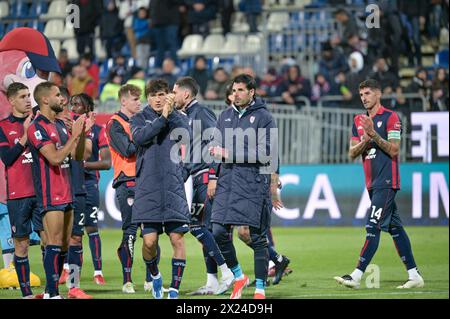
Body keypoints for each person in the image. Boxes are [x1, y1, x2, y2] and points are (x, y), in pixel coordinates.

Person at [334, 79, 424, 289]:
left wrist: (374, 134)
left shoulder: (391, 117)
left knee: (372, 226)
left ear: (378, 94)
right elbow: (351, 153)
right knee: (395, 228)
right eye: (361, 94)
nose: (364, 98)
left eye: (367, 93)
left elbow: (394, 150)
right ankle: (414, 275)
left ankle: (356, 276)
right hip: (371, 183)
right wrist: (365, 139)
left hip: (386, 181)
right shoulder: (358, 120)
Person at [209, 74, 278, 299]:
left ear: (251, 92)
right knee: (218, 231)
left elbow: (265, 153)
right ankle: (239, 277)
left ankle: (260, 288)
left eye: (241, 90)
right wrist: (213, 171)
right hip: (227, 182)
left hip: (252, 183)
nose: (236, 94)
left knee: (257, 237)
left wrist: (229, 153)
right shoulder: (225, 116)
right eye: (234, 90)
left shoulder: (264, 117)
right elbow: (215, 145)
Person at [172, 77, 234, 296]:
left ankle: (229, 274)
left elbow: (216, 143)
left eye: (174, 92)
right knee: (203, 229)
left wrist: (212, 175)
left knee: (198, 227)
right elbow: (191, 155)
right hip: (197, 177)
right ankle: (213, 282)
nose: (172, 96)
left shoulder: (202, 113)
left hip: (206, 178)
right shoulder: (186, 117)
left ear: (186, 95)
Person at [130, 79, 191, 299]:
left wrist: (171, 113)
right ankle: (155, 275)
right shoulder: (138, 118)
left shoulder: (178, 118)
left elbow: (186, 136)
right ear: (148, 97)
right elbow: (140, 138)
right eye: (154, 95)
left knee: (178, 240)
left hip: (173, 188)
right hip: (149, 189)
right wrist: (164, 117)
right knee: (149, 242)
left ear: (169, 96)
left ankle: (174, 289)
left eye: (162, 94)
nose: (158, 99)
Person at [27, 82, 86, 299]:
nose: (62, 99)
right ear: (44, 99)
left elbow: (77, 157)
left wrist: (79, 135)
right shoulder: (37, 127)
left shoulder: (60, 125)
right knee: (53, 241)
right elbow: (54, 158)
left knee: (63, 244)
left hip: (67, 190)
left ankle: (50, 290)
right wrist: (74, 136)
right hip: (51, 193)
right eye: (57, 95)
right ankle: (53, 293)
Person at [0, 83, 44, 298]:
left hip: (43, 191)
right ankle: (26, 293)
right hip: (18, 195)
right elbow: (7, 158)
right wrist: (26, 135)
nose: (28, 100)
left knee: (51, 241)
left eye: (29, 96)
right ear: (11, 100)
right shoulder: (2, 126)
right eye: (23, 96)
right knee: (22, 244)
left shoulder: (41, 122)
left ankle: (51, 291)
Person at [56, 90, 94, 299]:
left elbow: (84, 153)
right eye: (64, 101)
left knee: (76, 239)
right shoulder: (46, 125)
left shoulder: (77, 124)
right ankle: (51, 289)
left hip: (77, 188)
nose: (67, 105)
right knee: (52, 241)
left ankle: (73, 287)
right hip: (55, 190)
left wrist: (79, 133)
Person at [105, 84, 141, 294]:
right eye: (135, 99)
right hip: (126, 180)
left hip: (145, 181)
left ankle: (150, 277)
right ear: (124, 101)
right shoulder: (114, 124)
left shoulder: (140, 122)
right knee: (131, 231)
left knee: (150, 231)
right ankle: (127, 279)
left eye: (139, 99)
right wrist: (146, 135)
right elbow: (127, 150)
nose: (139, 103)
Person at [75, 94, 111, 285]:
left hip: (89, 185)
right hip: (69, 185)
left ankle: (98, 272)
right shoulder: (66, 129)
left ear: (88, 108)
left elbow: (106, 163)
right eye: (71, 104)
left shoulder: (98, 130)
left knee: (91, 228)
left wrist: (82, 165)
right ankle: (70, 273)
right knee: (72, 232)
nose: (73, 108)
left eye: (77, 105)